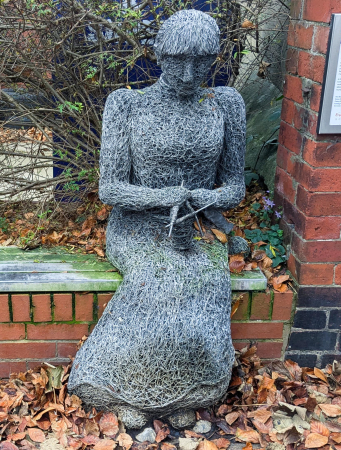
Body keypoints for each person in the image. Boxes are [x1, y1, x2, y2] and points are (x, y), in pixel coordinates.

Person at [67, 10, 246, 430]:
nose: (188, 73)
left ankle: (182, 395)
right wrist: (165, 198)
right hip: (137, 224)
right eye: (178, 60)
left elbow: (234, 188)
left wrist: (200, 199)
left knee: (203, 283)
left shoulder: (226, 104)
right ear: (160, 55)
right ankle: (123, 391)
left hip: (200, 225)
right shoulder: (128, 105)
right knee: (157, 282)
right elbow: (111, 189)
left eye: (201, 62)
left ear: (213, 60)